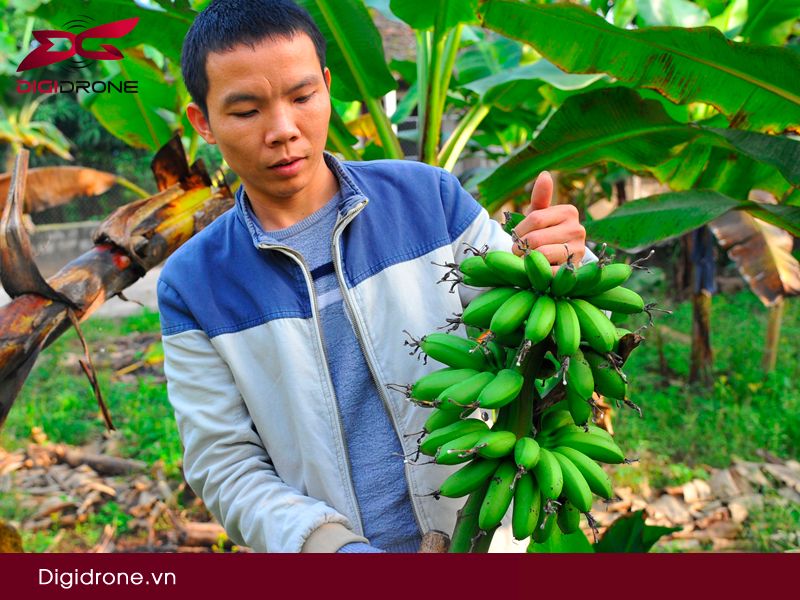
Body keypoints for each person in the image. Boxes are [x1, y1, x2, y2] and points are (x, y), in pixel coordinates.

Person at [158, 0, 591, 553]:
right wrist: (331, 550)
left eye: (302, 97)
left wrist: (565, 263)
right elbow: (224, 465)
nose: (283, 131)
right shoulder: (194, 284)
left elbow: (547, 328)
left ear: (328, 86)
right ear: (203, 123)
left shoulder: (430, 202)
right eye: (246, 111)